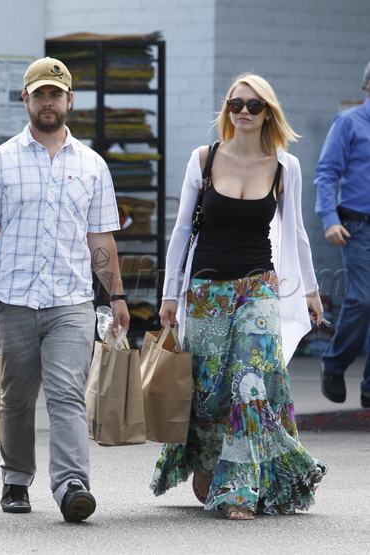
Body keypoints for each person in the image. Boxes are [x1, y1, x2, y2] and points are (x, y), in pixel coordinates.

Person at [0, 57, 129, 522]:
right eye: (40, 94)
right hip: (11, 301)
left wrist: (116, 296)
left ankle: (72, 484)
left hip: (71, 302)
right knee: (16, 396)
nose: (48, 102)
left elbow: (100, 239)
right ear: (25, 99)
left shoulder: (92, 165)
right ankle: (16, 478)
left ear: (69, 100)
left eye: (56, 94)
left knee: (68, 394)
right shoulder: (0, 161)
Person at [150, 73, 328, 520]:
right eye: (236, 104)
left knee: (252, 385)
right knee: (211, 393)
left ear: (268, 112)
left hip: (259, 289)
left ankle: (239, 490)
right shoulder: (204, 159)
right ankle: (210, 466)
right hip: (207, 290)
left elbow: (299, 231)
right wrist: (170, 293)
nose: (243, 112)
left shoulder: (286, 166)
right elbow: (179, 230)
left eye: (253, 105)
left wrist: (310, 289)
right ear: (227, 110)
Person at [314, 61, 370, 410]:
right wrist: (329, 217)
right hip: (356, 226)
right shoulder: (349, 122)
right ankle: (334, 364)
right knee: (363, 300)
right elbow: (326, 172)